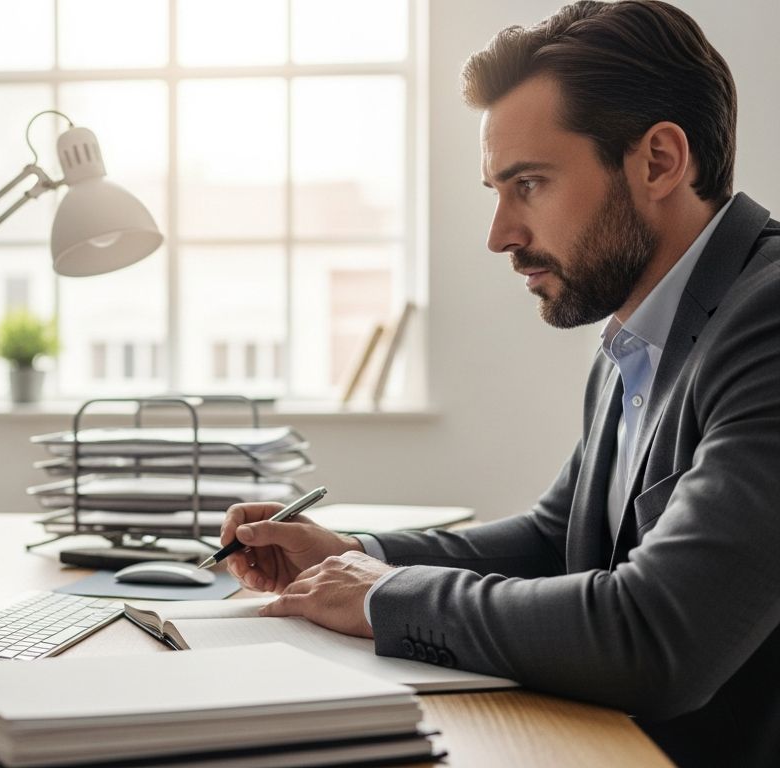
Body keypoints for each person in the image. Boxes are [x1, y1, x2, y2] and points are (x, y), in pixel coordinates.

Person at [219, 2, 780, 765]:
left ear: (658, 161)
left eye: (530, 184)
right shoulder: (642, 331)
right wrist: (348, 552)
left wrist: (384, 595)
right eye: (497, 189)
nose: (500, 235)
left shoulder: (768, 320)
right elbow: (557, 540)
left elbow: (660, 634)